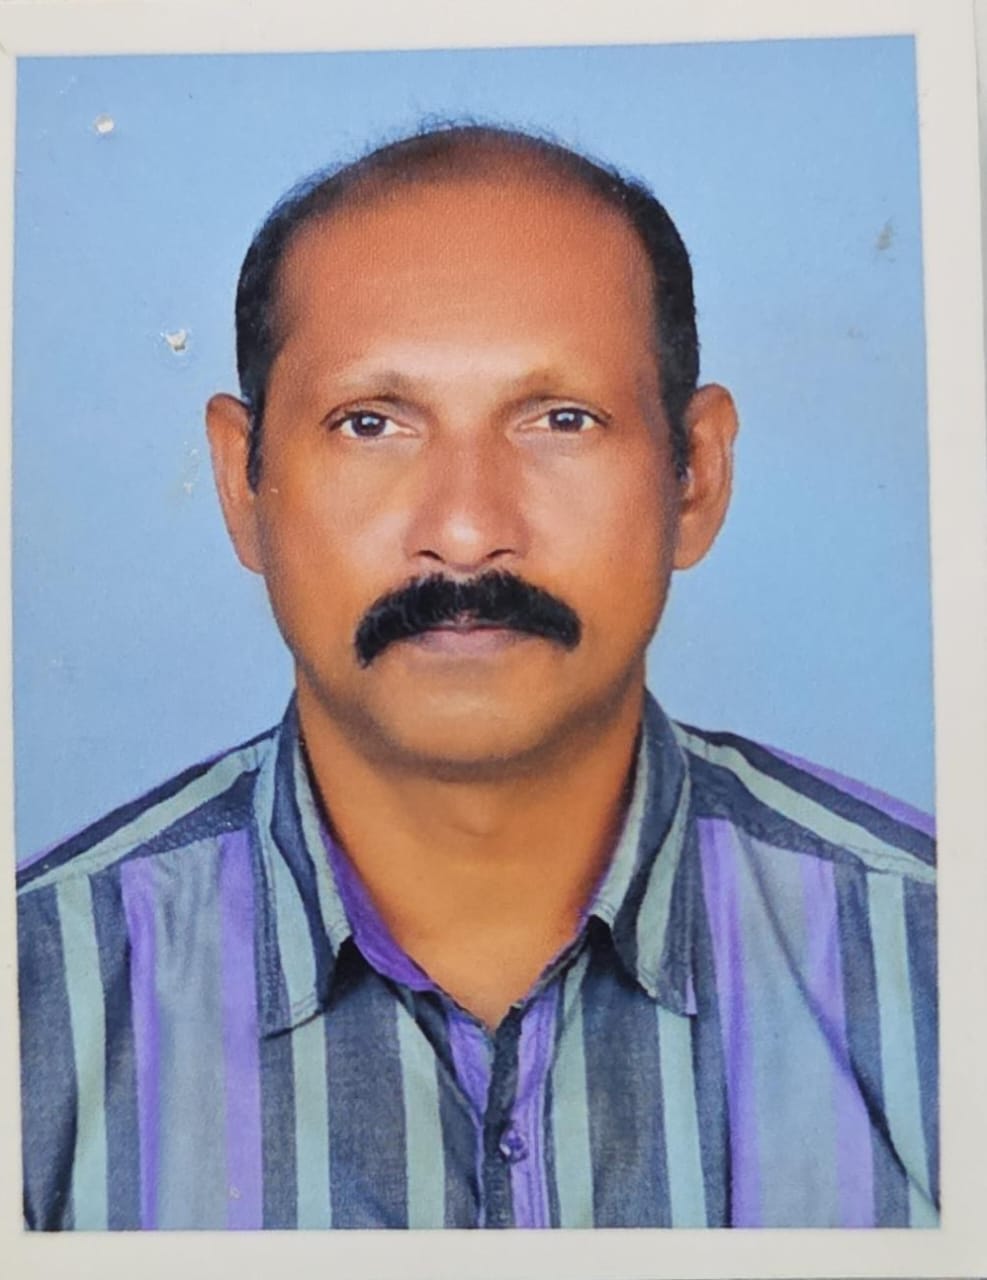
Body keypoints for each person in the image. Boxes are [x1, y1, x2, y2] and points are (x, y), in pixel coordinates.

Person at [16, 124, 937, 1231]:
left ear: (696, 475)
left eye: (560, 420)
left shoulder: (935, 962)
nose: (463, 532)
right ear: (240, 483)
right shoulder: (39, 1003)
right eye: (371, 424)